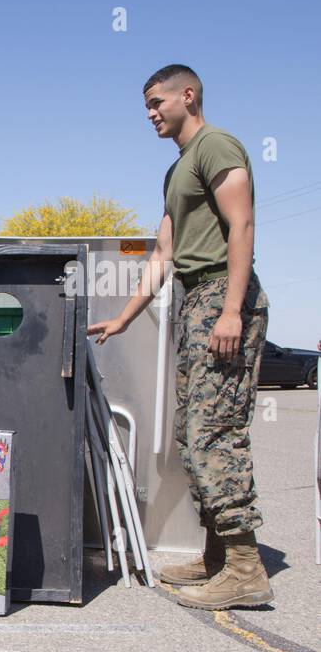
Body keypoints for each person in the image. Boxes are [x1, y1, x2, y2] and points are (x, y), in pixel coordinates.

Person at [89, 64, 272, 610]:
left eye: (155, 102)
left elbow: (242, 226)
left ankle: (245, 567)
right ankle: (218, 556)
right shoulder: (177, 172)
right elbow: (163, 255)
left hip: (222, 296)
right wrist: (125, 316)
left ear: (186, 95)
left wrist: (232, 309)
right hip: (196, 301)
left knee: (215, 431)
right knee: (193, 435)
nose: (150, 114)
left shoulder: (217, 146)